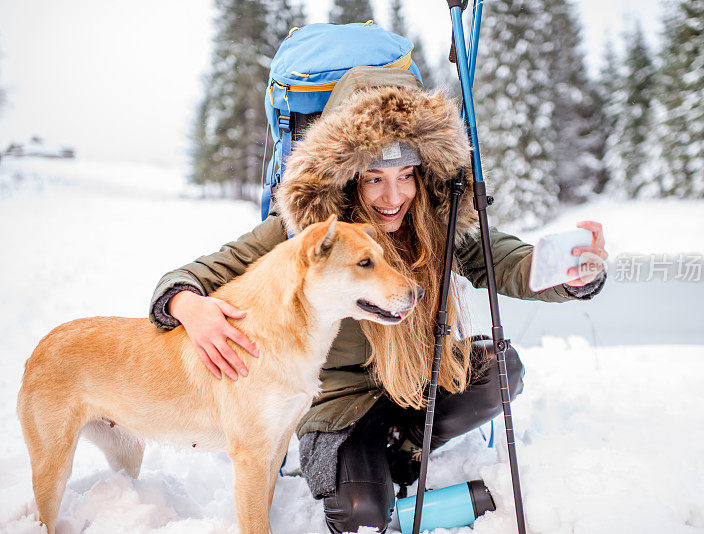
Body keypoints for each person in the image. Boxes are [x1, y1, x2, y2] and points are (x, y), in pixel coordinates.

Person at [149, 67, 608, 533]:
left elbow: (506, 262)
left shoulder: (435, 220)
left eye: (406, 175)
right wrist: (187, 306)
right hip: (340, 405)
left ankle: (402, 450)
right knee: (359, 516)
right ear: (348, 178)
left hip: (415, 381)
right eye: (374, 179)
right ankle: (359, 461)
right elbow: (198, 272)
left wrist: (569, 272)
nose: (394, 197)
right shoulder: (309, 236)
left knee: (499, 370)